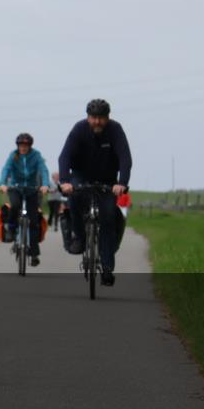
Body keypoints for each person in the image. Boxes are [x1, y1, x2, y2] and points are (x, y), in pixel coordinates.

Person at [59, 98, 132, 287]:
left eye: (101, 118)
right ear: (88, 117)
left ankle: (107, 269)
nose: (97, 122)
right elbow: (65, 156)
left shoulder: (115, 130)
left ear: (107, 118)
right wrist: (65, 181)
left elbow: (125, 158)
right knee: (73, 199)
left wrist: (122, 183)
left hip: (107, 181)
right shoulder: (79, 129)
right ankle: (79, 238)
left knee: (108, 218)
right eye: (93, 118)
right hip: (81, 177)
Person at [0, 133, 50, 266]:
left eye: (25, 146)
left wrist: (45, 184)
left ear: (30, 146)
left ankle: (34, 254)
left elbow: (43, 170)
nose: (23, 148)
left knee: (33, 221)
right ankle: (10, 228)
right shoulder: (13, 155)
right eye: (21, 145)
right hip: (16, 188)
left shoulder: (36, 155)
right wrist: (3, 183)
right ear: (18, 146)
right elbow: (6, 169)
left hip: (32, 190)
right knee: (15, 205)